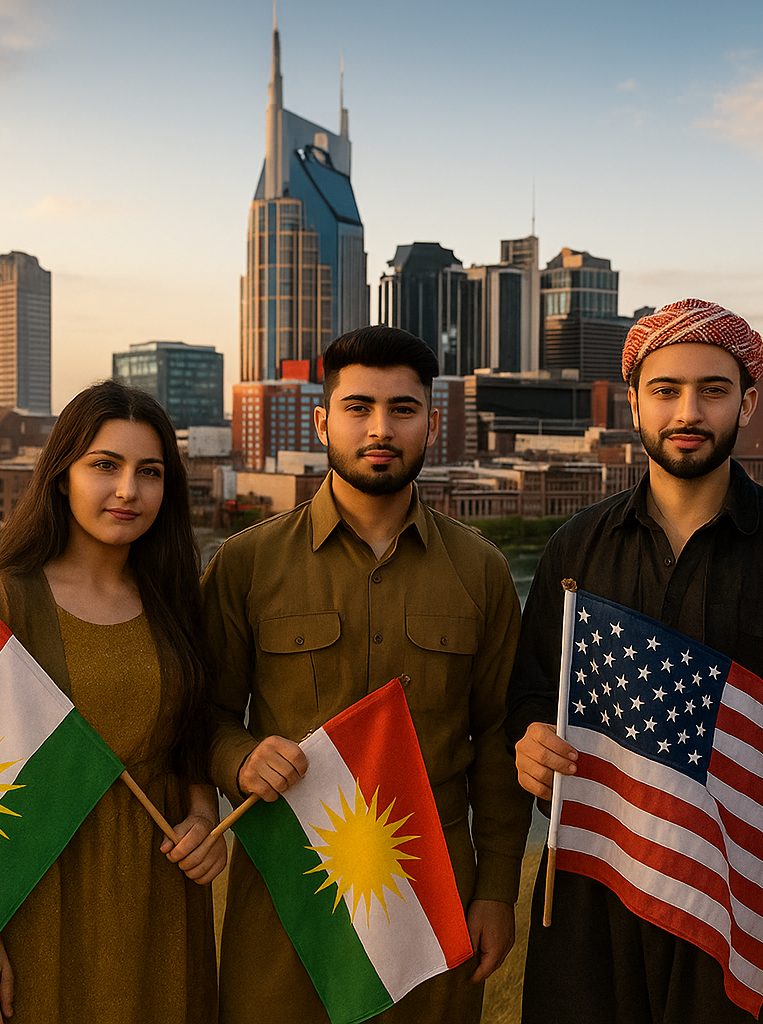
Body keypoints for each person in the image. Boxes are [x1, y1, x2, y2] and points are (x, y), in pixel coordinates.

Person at [509, 298, 763, 1024]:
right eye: (665, 390)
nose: (687, 411)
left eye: (712, 390)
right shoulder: (575, 549)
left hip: (734, 899)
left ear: (748, 403)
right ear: (633, 402)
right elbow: (532, 694)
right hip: (592, 889)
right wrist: (530, 744)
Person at [202, 325, 529, 1024]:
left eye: (402, 409)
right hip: (292, 886)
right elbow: (206, 716)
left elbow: (498, 743)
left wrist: (497, 890)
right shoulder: (245, 564)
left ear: (432, 425)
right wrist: (239, 758)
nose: (380, 429)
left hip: (430, 885)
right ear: (322, 421)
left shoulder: (482, 572)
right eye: (358, 408)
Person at [0, 380, 225, 1024]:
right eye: (104, 466)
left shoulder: (176, 604)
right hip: (26, 899)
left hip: (156, 900)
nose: (128, 490)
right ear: (61, 476)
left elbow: (191, 750)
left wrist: (203, 821)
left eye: (149, 472)